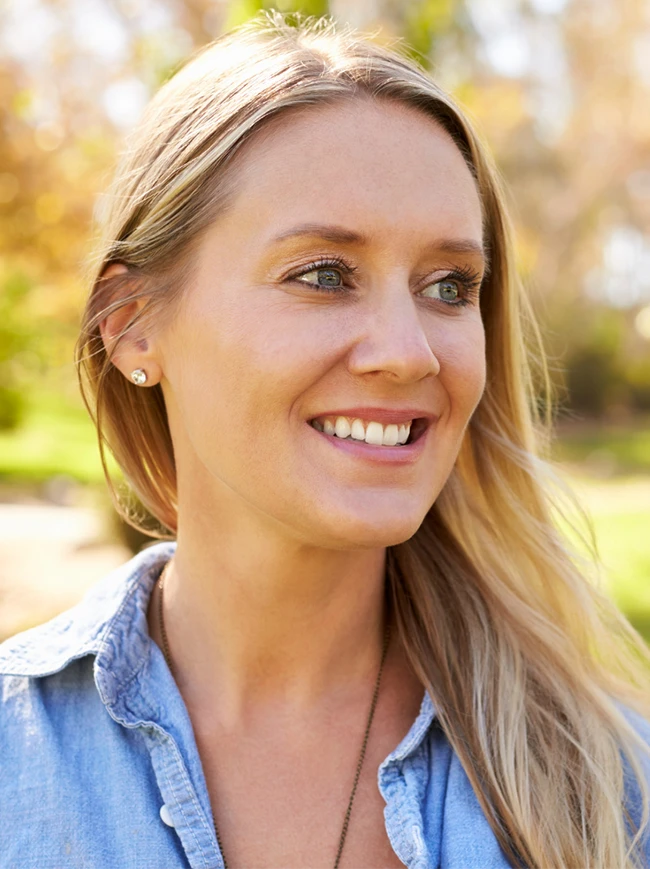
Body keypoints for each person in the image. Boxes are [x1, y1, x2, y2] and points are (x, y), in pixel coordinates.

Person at [1, 11, 649, 869]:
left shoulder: (609, 789)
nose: (409, 351)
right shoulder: (18, 760)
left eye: (450, 285)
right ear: (130, 325)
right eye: (322, 275)